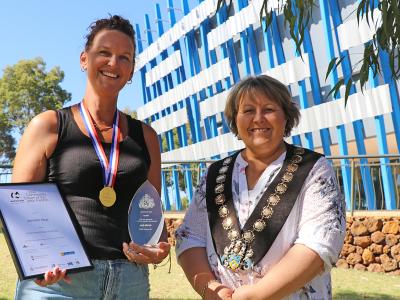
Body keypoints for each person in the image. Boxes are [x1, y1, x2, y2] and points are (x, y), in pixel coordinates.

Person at [12, 15, 170, 299]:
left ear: (132, 70)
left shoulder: (146, 137)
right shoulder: (48, 126)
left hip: (129, 283)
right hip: (60, 283)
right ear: (84, 59)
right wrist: (37, 263)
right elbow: (19, 213)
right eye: (104, 53)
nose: (113, 63)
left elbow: (152, 217)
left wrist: (157, 249)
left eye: (125, 57)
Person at [175, 75, 346, 300]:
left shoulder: (313, 169)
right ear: (235, 119)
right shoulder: (213, 175)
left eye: (268, 109)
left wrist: (255, 296)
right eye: (247, 111)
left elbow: (320, 243)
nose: (258, 119)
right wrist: (211, 290)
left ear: (286, 116)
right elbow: (190, 238)